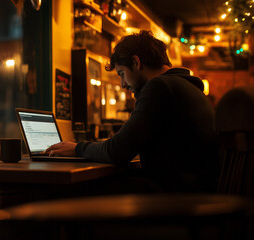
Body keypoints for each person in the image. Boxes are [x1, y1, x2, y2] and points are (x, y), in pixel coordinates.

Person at [46, 31, 218, 193]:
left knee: (73, 189)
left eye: (122, 73)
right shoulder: (188, 87)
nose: (122, 84)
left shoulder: (160, 87)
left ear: (136, 63)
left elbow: (117, 151)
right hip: (195, 191)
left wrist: (78, 148)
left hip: (176, 196)